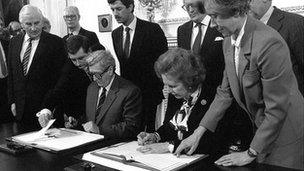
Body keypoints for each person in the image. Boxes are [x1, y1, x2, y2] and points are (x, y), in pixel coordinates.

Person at [174, 0, 304, 170]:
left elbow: (277, 108)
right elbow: (224, 93)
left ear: (236, 12)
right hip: (260, 131)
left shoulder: (269, 43)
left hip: (285, 135)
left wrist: (250, 153)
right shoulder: (228, 40)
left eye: (215, 17)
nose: (212, 24)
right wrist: (197, 134)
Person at [136, 48, 221, 159]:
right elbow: (170, 127)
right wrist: (155, 136)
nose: (168, 90)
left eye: (173, 86)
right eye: (165, 85)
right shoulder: (176, 95)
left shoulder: (211, 97)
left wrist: (169, 146)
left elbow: (209, 141)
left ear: (189, 80)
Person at [108, 0, 168, 131]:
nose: (115, 13)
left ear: (130, 7)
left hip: (149, 93)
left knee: (149, 133)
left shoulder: (152, 29)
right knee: (130, 132)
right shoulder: (115, 34)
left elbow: (163, 63)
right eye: (112, 9)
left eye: (118, 9)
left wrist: (158, 86)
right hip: (127, 95)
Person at [7, 5, 67, 131]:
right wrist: (12, 101)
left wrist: (48, 108)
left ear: (42, 21)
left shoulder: (56, 43)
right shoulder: (14, 42)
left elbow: (61, 79)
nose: (34, 28)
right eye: (29, 24)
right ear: (21, 24)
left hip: (46, 111)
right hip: (20, 111)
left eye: (37, 23)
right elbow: (12, 75)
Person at [37, 35, 104, 128]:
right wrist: (46, 111)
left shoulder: (101, 56)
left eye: (81, 58)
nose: (78, 63)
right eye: (73, 59)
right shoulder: (69, 68)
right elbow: (57, 91)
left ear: (89, 51)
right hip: (82, 115)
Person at [83, 50, 142, 140]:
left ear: (110, 70)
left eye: (98, 75)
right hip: (90, 144)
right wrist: (77, 122)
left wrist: (100, 130)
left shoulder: (130, 91)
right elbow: (91, 118)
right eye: (91, 74)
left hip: (116, 145)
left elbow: (131, 127)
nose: (94, 79)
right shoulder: (92, 88)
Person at [249, 0, 304, 96]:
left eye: (248, 0)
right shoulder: (242, 29)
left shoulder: (295, 23)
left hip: (292, 105)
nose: (243, 5)